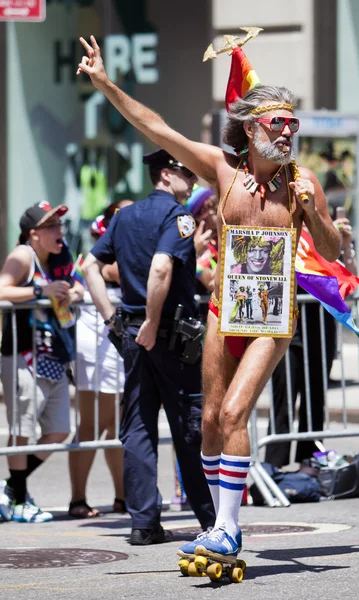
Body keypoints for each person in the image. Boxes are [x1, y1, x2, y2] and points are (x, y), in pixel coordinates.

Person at [76, 35, 341, 557]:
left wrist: (313, 213)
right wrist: (106, 84)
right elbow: (158, 129)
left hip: (271, 313)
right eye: (277, 123)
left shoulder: (303, 181)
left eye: (293, 123)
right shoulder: (223, 170)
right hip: (223, 308)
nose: (287, 132)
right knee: (210, 421)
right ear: (251, 127)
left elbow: (330, 251)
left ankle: (227, 528)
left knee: (236, 412)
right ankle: (217, 523)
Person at [80, 146, 216, 545]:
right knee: (189, 427)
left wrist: (111, 319)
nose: (191, 183)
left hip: (134, 335)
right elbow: (161, 266)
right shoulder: (179, 217)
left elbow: (88, 266)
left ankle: (143, 524)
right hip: (168, 334)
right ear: (166, 175)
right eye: (186, 175)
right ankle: (211, 522)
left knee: (138, 427)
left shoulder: (123, 217)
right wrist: (154, 323)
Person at [0, 202, 84, 523]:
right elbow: (2, 289)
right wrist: (40, 289)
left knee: (60, 430)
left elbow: (77, 284)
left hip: (55, 354)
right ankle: (19, 499)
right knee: (22, 428)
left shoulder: (61, 256)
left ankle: (11, 488)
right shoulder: (23, 255)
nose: (58, 232)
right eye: (51, 226)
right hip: (25, 355)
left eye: (60, 225)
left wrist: (74, 293)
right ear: (33, 234)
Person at [265, 215, 357, 467]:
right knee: (284, 392)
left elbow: (350, 280)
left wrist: (344, 245)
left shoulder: (326, 237)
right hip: (289, 327)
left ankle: (310, 460)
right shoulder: (285, 229)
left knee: (315, 393)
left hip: (320, 326)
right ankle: (274, 463)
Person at [68, 200, 132, 518]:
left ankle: (121, 497)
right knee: (93, 424)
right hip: (95, 344)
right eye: (124, 213)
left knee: (116, 425)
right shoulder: (104, 253)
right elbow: (122, 272)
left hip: (116, 345)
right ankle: (78, 498)